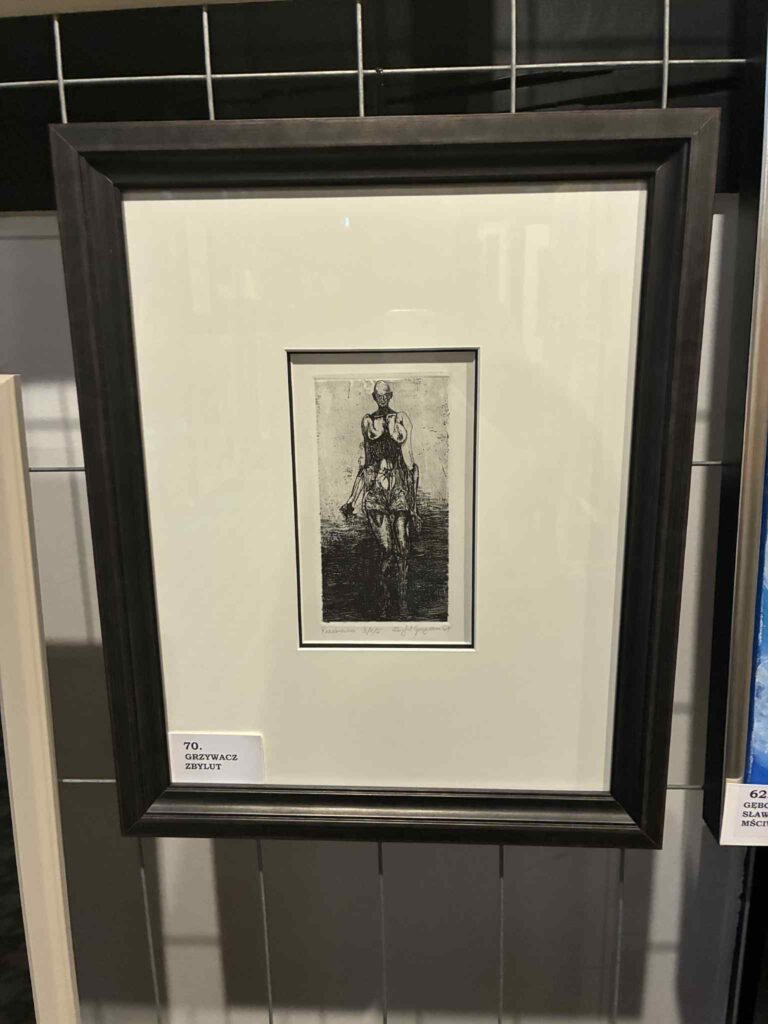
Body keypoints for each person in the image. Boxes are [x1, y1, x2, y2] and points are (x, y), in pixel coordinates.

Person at [340, 380, 420, 617]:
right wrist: (352, 500)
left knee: (402, 546)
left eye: (386, 395)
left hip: (398, 487)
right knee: (386, 549)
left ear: (391, 395)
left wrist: (414, 506)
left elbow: (410, 462)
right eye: (378, 395)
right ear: (374, 397)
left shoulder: (401, 419)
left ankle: (403, 599)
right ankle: (385, 600)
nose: (382, 399)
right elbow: (365, 464)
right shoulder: (368, 422)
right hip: (376, 489)